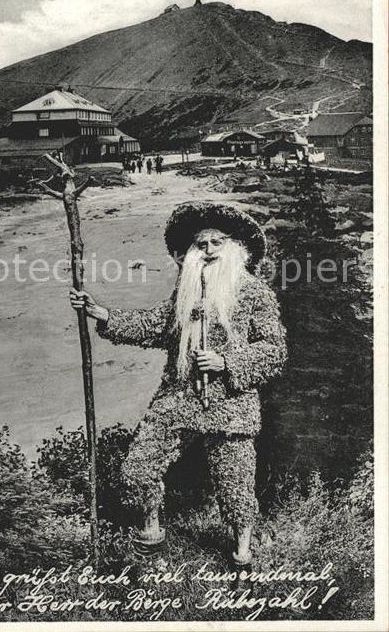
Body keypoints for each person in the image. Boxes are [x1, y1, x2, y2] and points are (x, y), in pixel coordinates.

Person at [70, 202, 287, 567]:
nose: (208, 251)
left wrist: (226, 362)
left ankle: (242, 554)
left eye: (217, 242)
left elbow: (274, 350)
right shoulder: (185, 292)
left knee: (236, 486)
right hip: (179, 398)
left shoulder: (254, 292)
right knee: (138, 468)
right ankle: (151, 533)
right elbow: (156, 326)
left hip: (231, 404)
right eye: (200, 245)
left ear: (235, 248)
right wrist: (103, 314)